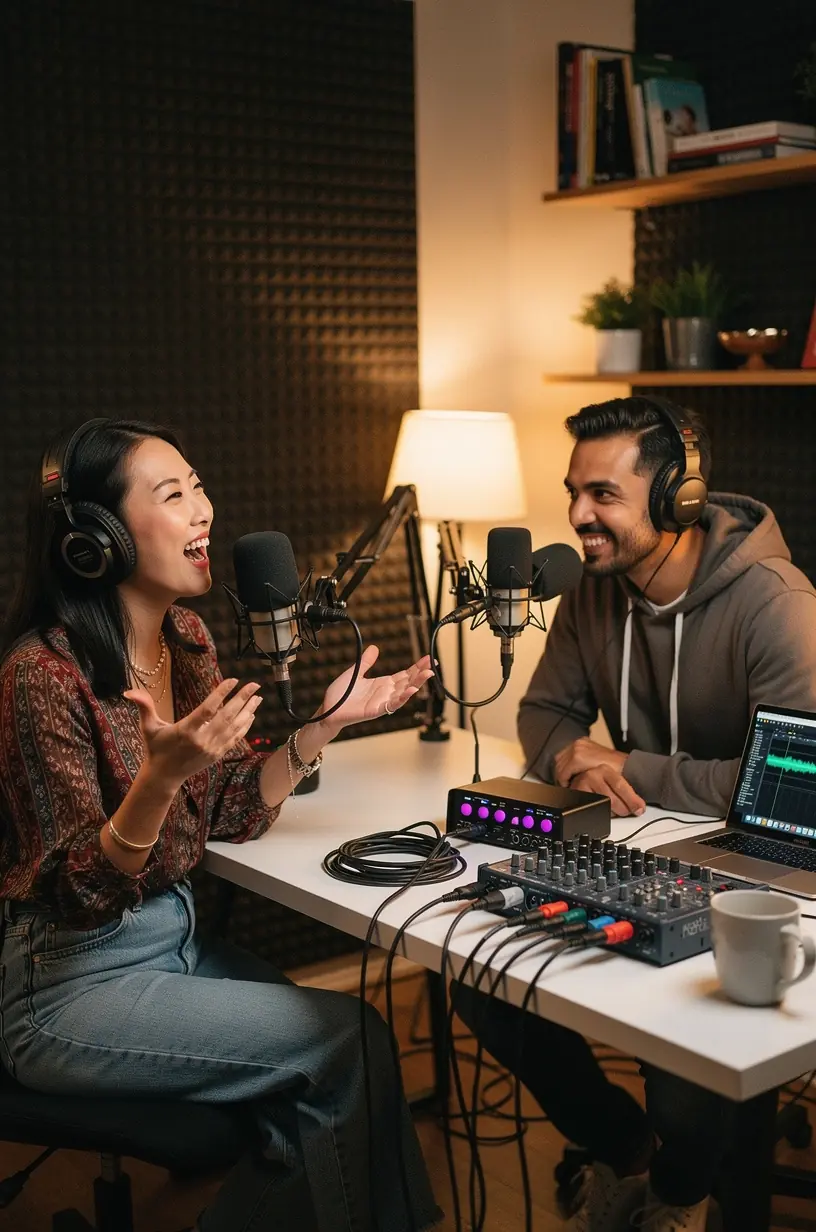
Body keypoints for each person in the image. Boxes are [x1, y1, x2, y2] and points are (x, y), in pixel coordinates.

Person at [0, 418, 442, 1232]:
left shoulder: (187, 639)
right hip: (69, 985)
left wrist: (324, 727)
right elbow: (76, 892)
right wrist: (158, 782)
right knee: (345, 1042)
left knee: (333, 1073)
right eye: (173, 494)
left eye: (198, 486)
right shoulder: (42, 674)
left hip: (176, 945)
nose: (204, 509)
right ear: (97, 537)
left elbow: (235, 803)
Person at [456, 396, 816, 1232]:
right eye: (574, 491)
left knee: (686, 1046)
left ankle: (683, 1198)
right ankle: (631, 1154)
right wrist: (572, 761)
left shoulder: (776, 602)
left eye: (603, 495)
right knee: (482, 979)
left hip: (765, 872)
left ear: (676, 500)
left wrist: (633, 769)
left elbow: (796, 785)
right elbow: (544, 715)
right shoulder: (593, 593)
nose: (578, 515)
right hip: (640, 848)